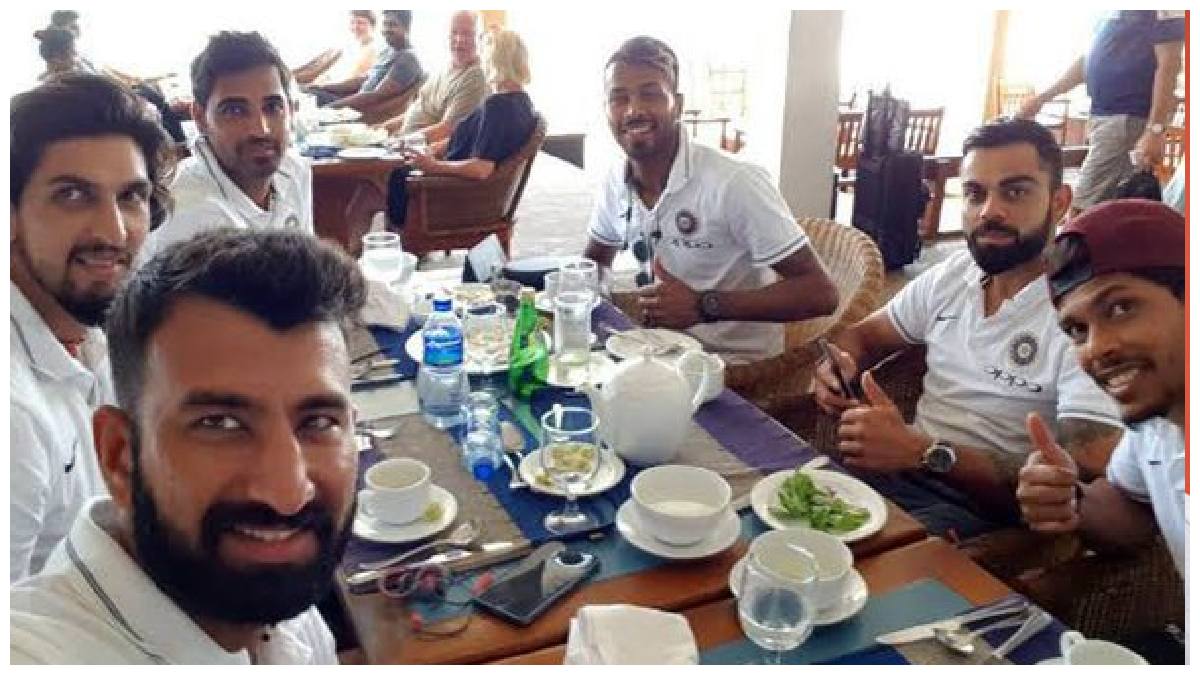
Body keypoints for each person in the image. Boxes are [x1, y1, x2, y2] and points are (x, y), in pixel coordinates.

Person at [10, 230, 368, 664]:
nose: (287, 493)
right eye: (220, 424)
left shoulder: (269, 594)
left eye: (319, 422)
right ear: (120, 456)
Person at [812, 118, 1123, 539]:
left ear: (1059, 201)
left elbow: (1081, 473)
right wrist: (839, 367)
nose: (990, 211)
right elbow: (864, 335)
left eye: (1015, 192)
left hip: (982, 514)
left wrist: (924, 452)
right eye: (975, 194)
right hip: (893, 474)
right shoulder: (954, 274)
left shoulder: (1084, 315)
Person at [10, 73, 175, 581]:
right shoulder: (14, 418)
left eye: (130, 196)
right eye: (73, 195)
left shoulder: (86, 323)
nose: (113, 231)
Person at [583, 36, 838, 365]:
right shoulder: (615, 181)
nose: (633, 110)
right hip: (649, 355)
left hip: (728, 368)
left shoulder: (733, 182)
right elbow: (594, 264)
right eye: (619, 98)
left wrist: (705, 305)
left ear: (678, 104)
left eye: (650, 94)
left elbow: (821, 293)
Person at [1018, 199, 1185, 577]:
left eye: (1121, 308)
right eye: (1078, 329)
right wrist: (1071, 496)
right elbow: (1133, 514)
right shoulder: (1154, 425)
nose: (1096, 348)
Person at [139, 32, 312, 265]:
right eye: (235, 111)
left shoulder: (294, 170)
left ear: (290, 110)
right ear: (200, 118)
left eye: (272, 107)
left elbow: (311, 273)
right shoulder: (186, 211)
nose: (261, 129)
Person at [1019, 11, 1184, 213]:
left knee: (1083, 204)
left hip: (1125, 119)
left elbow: (1169, 65)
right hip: (1104, 116)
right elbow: (1087, 62)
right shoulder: (1108, 15)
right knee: (1105, 202)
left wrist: (1155, 130)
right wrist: (1043, 98)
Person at [383, 29, 538, 228]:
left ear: (493, 62)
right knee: (383, 182)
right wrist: (431, 150)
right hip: (469, 190)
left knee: (386, 180)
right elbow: (472, 139)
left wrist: (432, 166)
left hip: (456, 196)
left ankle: (395, 239)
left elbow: (481, 169)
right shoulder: (522, 102)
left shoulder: (498, 106)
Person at [47, 9, 188, 142]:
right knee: (149, 96)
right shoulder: (66, 64)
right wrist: (127, 89)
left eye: (77, 26)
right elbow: (98, 86)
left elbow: (113, 74)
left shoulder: (83, 56)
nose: (78, 30)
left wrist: (148, 79)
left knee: (151, 92)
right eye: (72, 27)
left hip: (115, 91)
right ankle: (179, 142)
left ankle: (180, 142)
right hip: (107, 100)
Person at [381, 10, 488, 143]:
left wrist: (400, 143)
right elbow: (417, 110)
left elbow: (449, 129)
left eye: (467, 33)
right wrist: (380, 130)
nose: (459, 39)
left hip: (422, 151)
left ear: (480, 38)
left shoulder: (475, 77)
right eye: (454, 32)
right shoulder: (444, 67)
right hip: (403, 142)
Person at [308, 10, 423, 121]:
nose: (386, 30)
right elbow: (364, 79)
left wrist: (328, 108)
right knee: (307, 92)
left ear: (407, 28)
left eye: (392, 25)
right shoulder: (389, 50)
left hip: (360, 111)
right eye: (384, 24)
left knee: (307, 100)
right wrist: (325, 87)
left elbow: (375, 96)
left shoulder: (408, 59)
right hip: (352, 101)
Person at [293, 10, 381, 86]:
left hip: (340, 92)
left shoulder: (372, 50)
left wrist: (319, 87)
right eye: (352, 22)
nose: (355, 27)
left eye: (361, 23)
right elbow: (328, 74)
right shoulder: (350, 48)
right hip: (325, 87)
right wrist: (314, 84)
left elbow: (351, 80)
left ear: (372, 26)